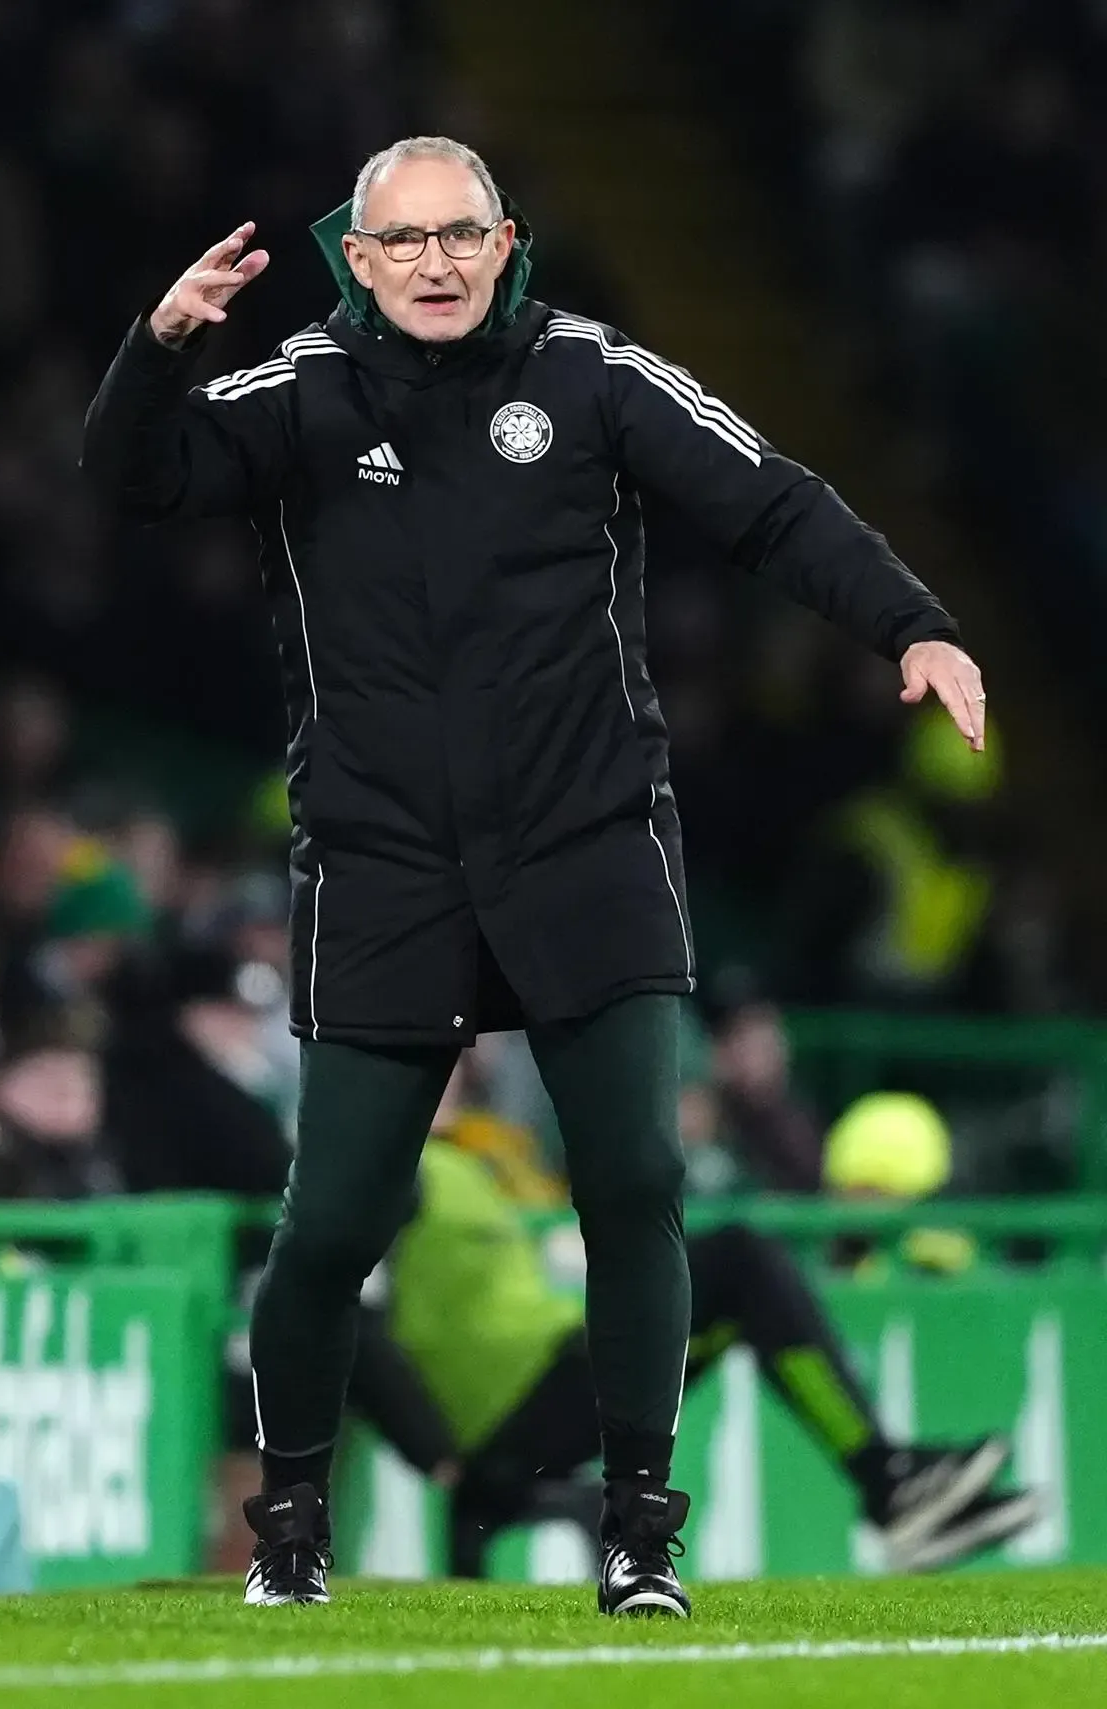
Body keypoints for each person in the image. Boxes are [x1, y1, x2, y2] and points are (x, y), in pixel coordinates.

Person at [82, 133, 987, 1617]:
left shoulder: (595, 373)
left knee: (634, 1186)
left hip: (589, 850)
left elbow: (771, 497)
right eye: (406, 241)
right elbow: (134, 481)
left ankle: (641, 1534)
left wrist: (913, 624)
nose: (437, 262)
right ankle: (291, 1529)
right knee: (332, 1226)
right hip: (382, 867)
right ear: (358, 261)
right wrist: (158, 347)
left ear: (505, 244)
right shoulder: (295, 394)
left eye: (464, 234)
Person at [392, 1089, 1039, 1579]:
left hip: (551, 1369)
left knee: (738, 1274)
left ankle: (891, 1482)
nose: (460, 1063)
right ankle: (891, 1482)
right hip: (511, 1410)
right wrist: (430, 1446)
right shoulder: (401, 1170)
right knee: (739, 1260)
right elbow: (335, 1294)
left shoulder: (475, 1159)